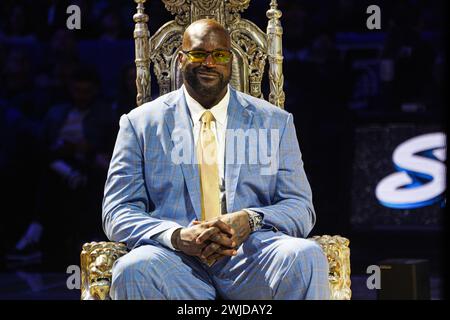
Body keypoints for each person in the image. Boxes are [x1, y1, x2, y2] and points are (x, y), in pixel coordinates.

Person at [103, 19, 330, 300]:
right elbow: (117, 211)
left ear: (230, 61)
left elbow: (300, 208)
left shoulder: (275, 122)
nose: (209, 63)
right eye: (199, 54)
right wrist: (175, 236)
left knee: (306, 256)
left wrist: (251, 219)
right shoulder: (140, 124)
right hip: (174, 260)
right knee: (133, 268)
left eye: (219, 55)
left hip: (251, 255)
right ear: (181, 59)